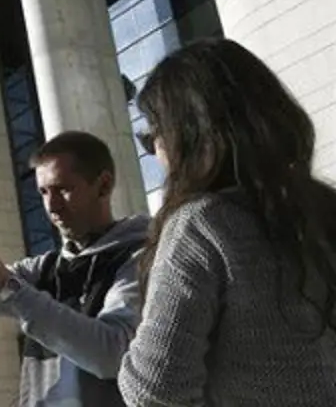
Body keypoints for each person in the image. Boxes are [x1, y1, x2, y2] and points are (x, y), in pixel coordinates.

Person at [117, 38, 336, 405]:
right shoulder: (324, 207)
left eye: (151, 136)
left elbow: (153, 388)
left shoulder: (201, 227)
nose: (154, 152)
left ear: (187, 134)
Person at [0, 130, 149, 407]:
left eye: (63, 189)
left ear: (103, 186)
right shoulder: (46, 268)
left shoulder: (138, 257)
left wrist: (12, 288)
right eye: (43, 192)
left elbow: (112, 354)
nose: (52, 206)